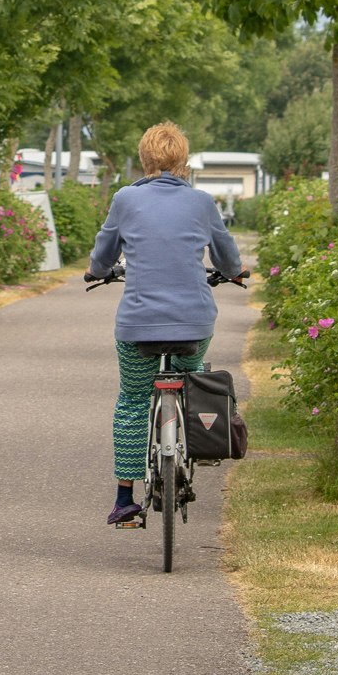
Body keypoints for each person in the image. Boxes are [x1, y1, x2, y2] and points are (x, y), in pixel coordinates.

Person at [85, 121, 244, 526]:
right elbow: (226, 257)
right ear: (183, 162)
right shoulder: (203, 202)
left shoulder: (124, 199)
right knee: (192, 378)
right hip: (194, 323)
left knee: (134, 402)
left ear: (144, 160)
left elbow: (104, 252)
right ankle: (197, 442)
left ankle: (124, 501)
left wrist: (98, 270)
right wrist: (234, 272)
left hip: (139, 325)